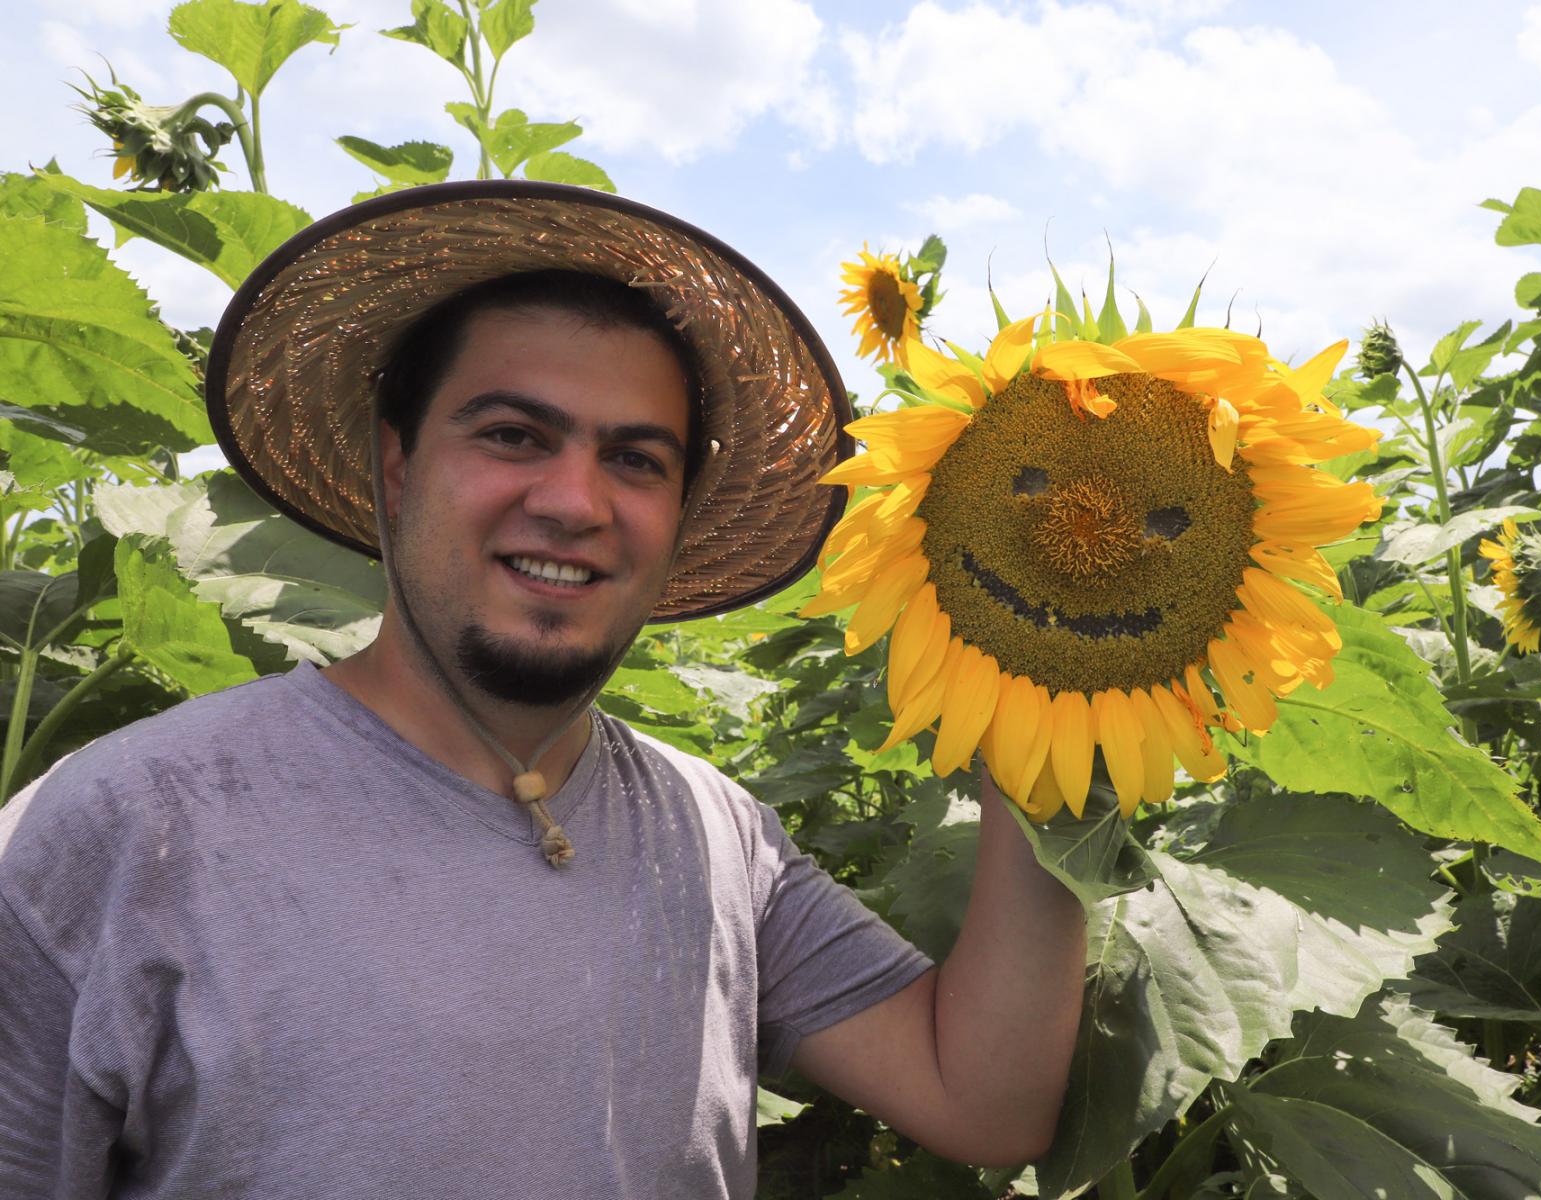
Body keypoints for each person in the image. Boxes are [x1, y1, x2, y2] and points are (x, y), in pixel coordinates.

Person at [0, 182, 1085, 1199]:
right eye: (513, 435)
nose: (574, 502)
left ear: (679, 515)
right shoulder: (111, 836)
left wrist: (1062, 691)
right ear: (396, 464)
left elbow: (982, 1103)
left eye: (637, 460)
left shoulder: (718, 836)